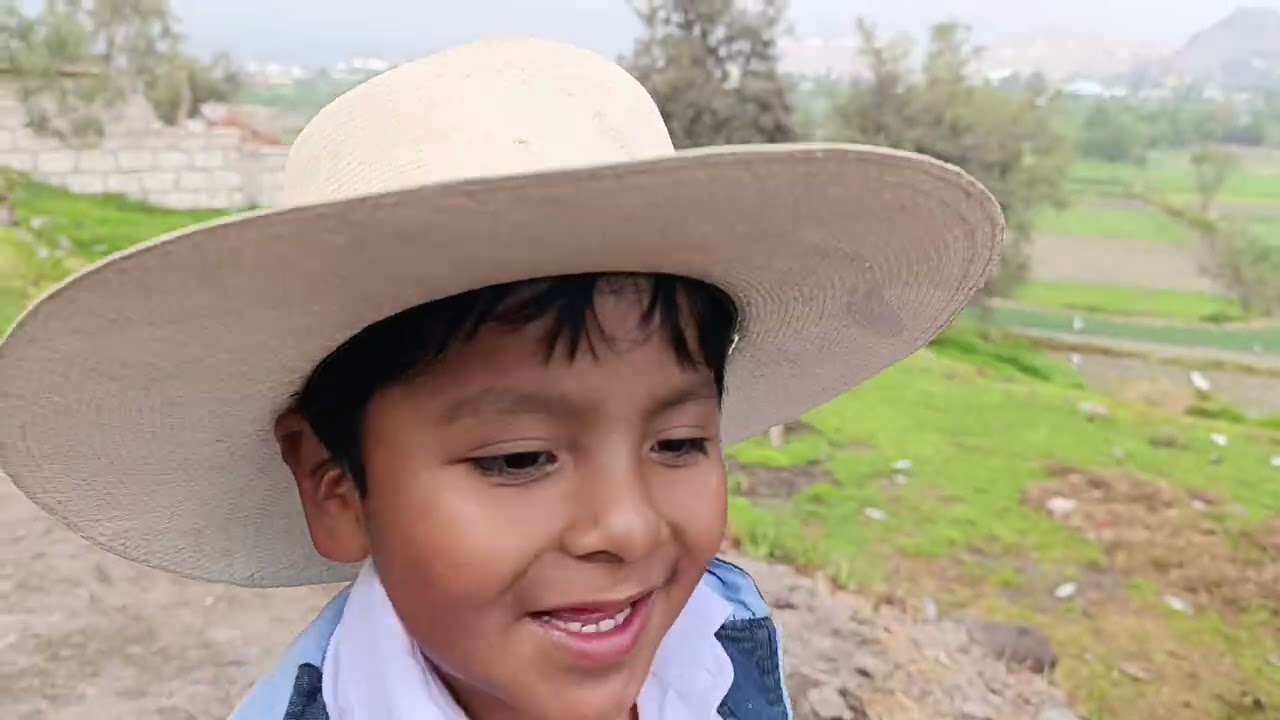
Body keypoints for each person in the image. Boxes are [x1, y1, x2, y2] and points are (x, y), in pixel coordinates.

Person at [0, 36, 1002, 720]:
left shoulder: (718, 636)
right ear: (335, 486)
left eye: (679, 442)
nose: (628, 527)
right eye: (519, 457)